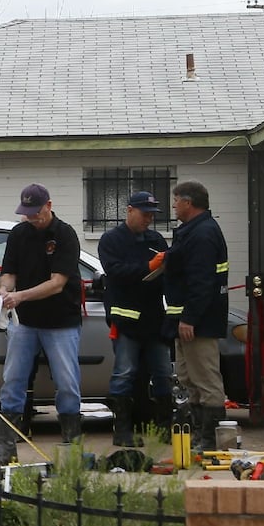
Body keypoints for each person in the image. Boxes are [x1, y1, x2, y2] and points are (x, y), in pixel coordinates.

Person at [0, 183, 85, 466]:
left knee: (67, 383)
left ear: (49, 206)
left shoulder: (65, 234)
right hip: (24, 322)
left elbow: (57, 284)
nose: (32, 218)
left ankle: (72, 448)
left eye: (37, 213)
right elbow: (8, 273)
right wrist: (4, 290)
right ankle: (5, 447)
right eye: (27, 213)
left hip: (61, 322)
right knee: (13, 380)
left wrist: (19, 296)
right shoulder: (19, 234)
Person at [97, 191, 172, 447]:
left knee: (163, 373)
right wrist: (148, 267)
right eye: (145, 214)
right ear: (129, 211)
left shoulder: (156, 238)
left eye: (152, 215)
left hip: (154, 320)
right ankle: (122, 431)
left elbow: (166, 275)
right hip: (126, 320)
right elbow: (116, 273)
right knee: (124, 373)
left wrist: (165, 266)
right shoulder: (111, 240)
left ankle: (164, 428)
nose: (149, 219)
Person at [160, 180, 229, 452]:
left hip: (198, 323)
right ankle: (200, 437)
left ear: (188, 202)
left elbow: (202, 282)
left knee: (206, 380)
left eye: (176, 200)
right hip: (186, 321)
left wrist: (189, 318)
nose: (174, 206)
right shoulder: (192, 231)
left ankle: (210, 442)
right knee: (190, 380)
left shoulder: (203, 235)